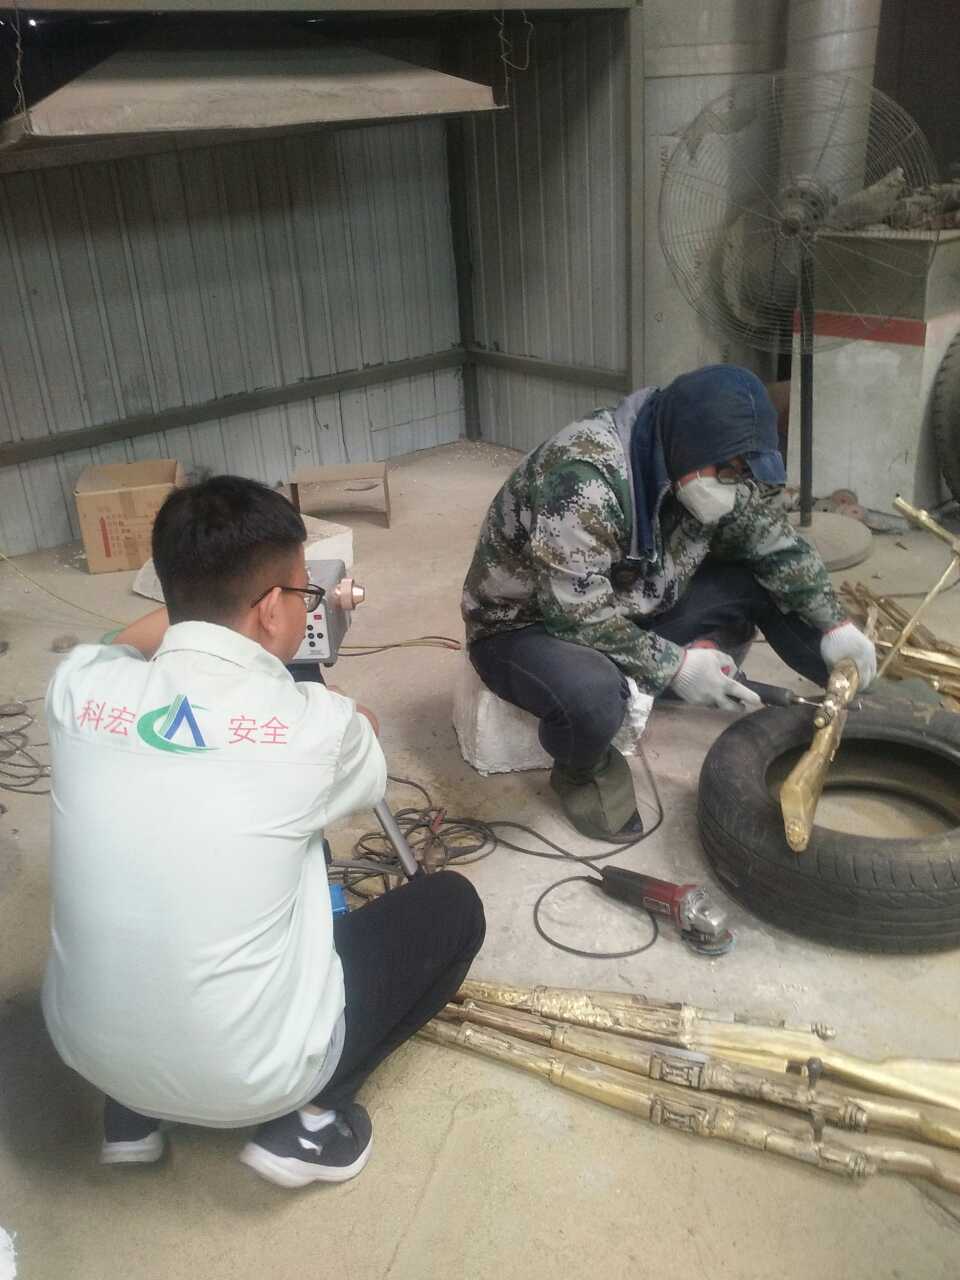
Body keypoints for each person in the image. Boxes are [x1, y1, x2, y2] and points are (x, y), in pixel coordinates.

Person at [43, 476, 485, 1189]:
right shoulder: (315, 730)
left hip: (88, 1054)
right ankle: (309, 1122)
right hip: (253, 1078)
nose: (311, 605)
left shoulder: (77, 688)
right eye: (305, 594)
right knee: (453, 909)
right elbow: (363, 742)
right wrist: (315, 699)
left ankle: (132, 1111)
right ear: (273, 607)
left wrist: (191, 614)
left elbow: (116, 646)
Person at [463, 365, 876, 841]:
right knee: (594, 696)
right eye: (729, 472)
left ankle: (847, 689)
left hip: (632, 598)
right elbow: (577, 617)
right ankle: (580, 771)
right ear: (688, 445)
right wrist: (675, 666)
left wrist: (834, 625)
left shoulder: (710, 464)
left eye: (743, 473)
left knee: (764, 581)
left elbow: (777, 548)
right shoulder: (582, 478)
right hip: (527, 625)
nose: (735, 485)